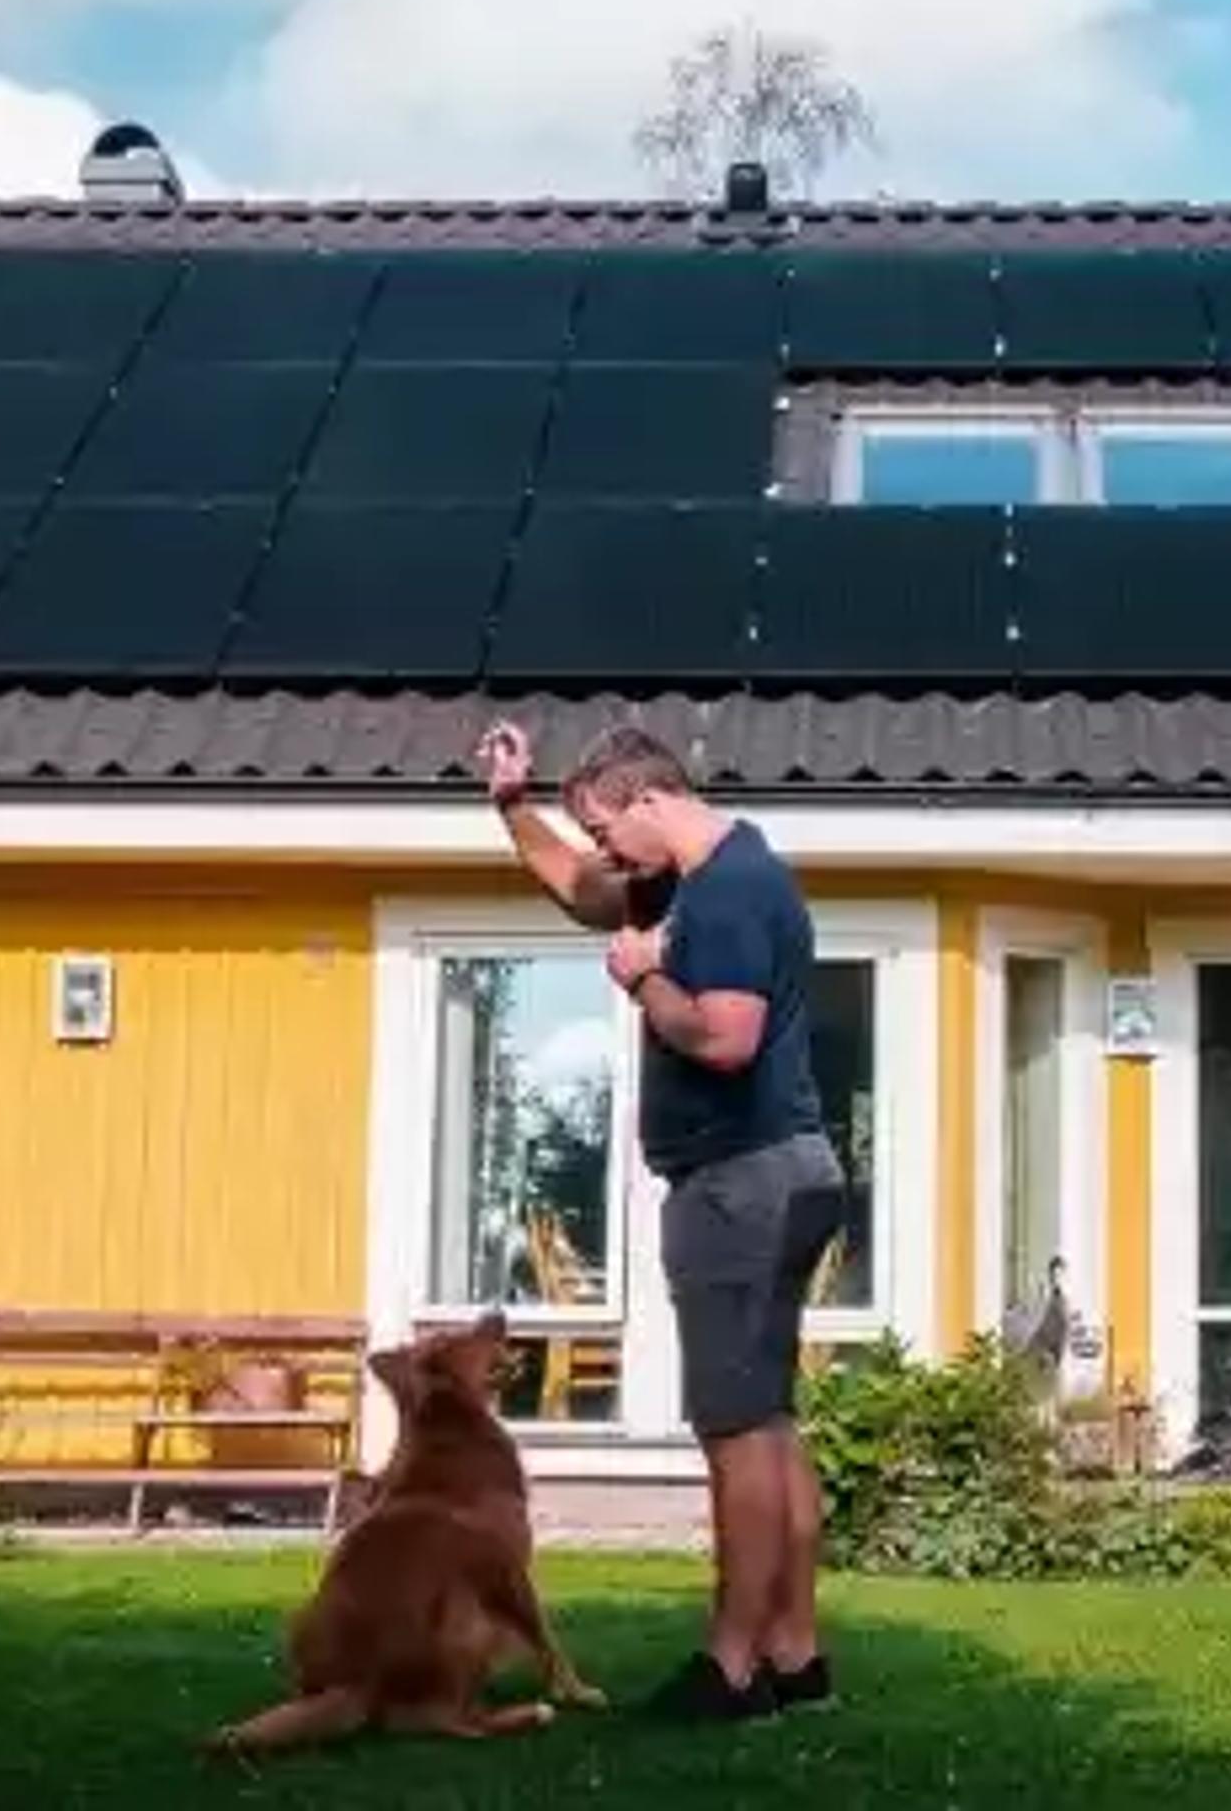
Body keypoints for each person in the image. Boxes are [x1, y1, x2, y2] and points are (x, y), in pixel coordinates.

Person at [476, 718, 845, 1723]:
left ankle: (732, 1666)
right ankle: (796, 1655)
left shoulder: (726, 890)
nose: (605, 852)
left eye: (606, 829)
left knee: (736, 1431)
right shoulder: (693, 879)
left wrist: (643, 977)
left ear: (648, 798)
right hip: (781, 1172)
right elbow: (583, 889)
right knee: (767, 1420)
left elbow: (725, 1038)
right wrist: (513, 805)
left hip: (740, 1179)